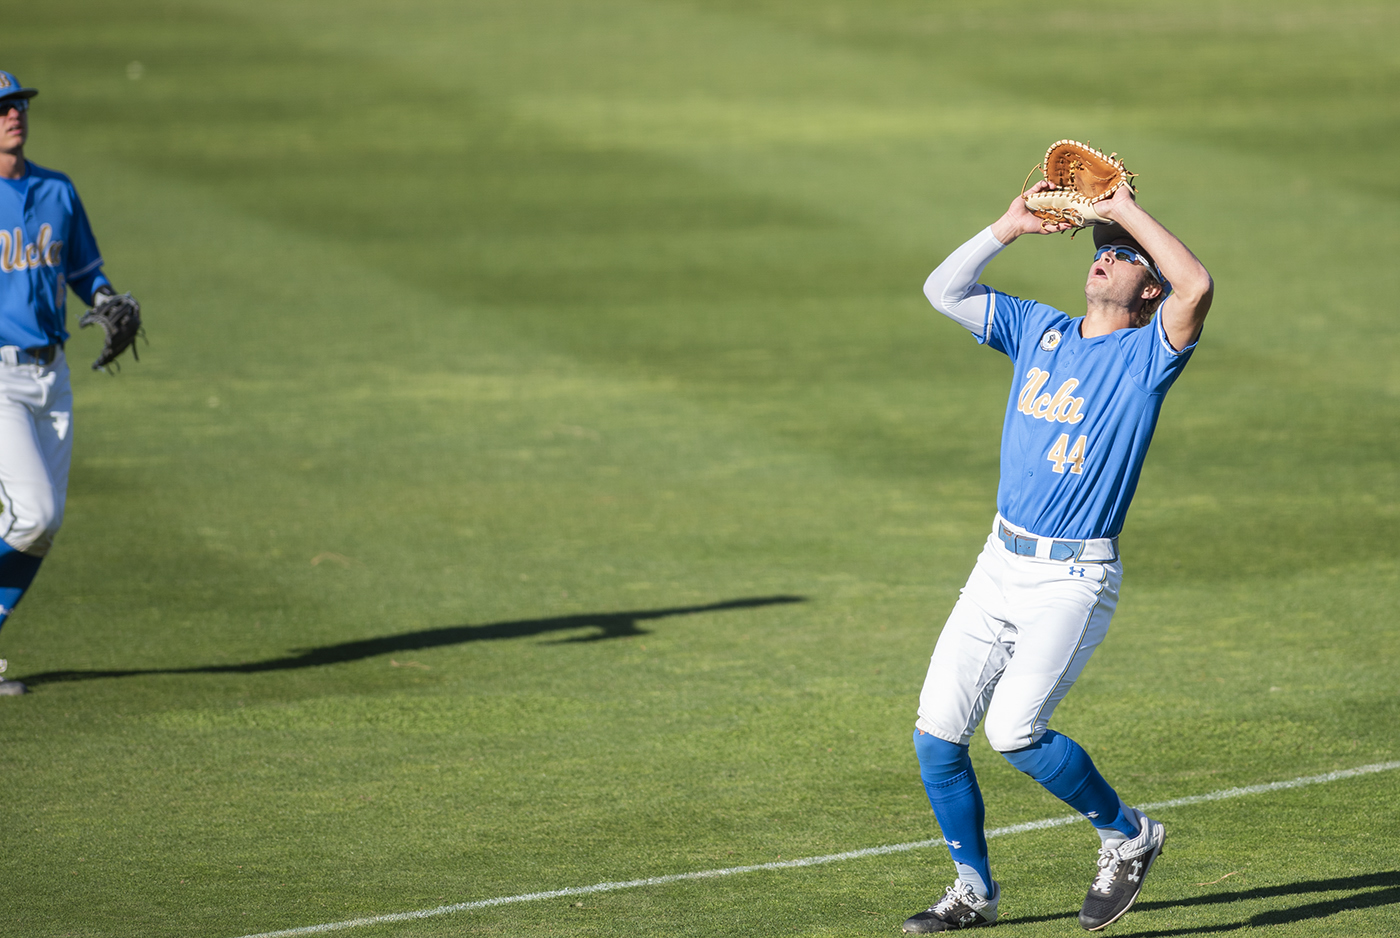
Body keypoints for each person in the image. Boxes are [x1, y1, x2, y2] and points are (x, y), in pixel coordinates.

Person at [903, 179, 1214, 932]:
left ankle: (1128, 834)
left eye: (1126, 257)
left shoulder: (1150, 357)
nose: (1106, 259)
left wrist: (1123, 210)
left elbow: (1197, 284)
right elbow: (943, 289)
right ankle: (973, 892)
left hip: (1070, 578)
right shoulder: (1038, 331)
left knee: (1013, 732)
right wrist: (1007, 227)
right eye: (1103, 250)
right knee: (936, 736)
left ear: (1148, 291)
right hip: (997, 563)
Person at [0, 70, 133, 696]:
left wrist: (107, 299)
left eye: (18, 105)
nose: (13, 115)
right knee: (34, 514)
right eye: (1, 108)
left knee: (43, 528)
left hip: (53, 375)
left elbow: (84, 270)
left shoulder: (57, 191)